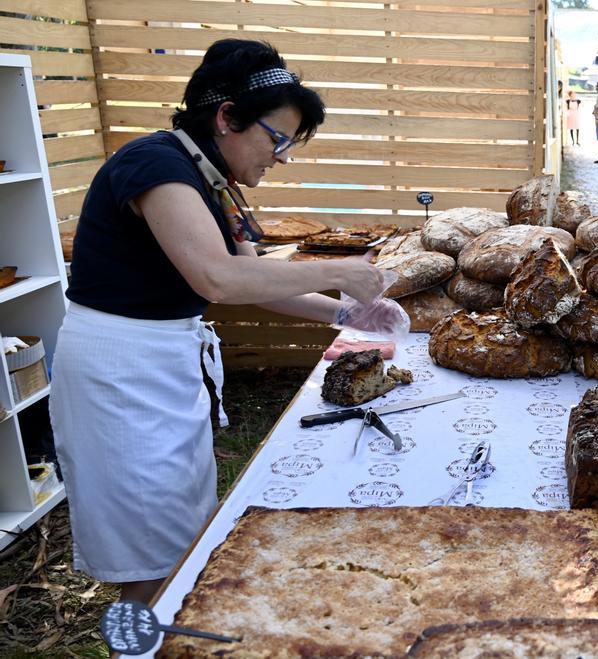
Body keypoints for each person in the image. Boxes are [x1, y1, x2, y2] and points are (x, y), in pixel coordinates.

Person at [48, 39, 405, 604]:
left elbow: (253, 283)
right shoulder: (155, 164)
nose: (282, 156)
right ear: (227, 118)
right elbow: (217, 280)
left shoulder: (211, 180)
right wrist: (340, 271)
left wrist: (347, 312)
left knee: (186, 536)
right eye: (277, 139)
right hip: (118, 373)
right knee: (149, 561)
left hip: (163, 364)